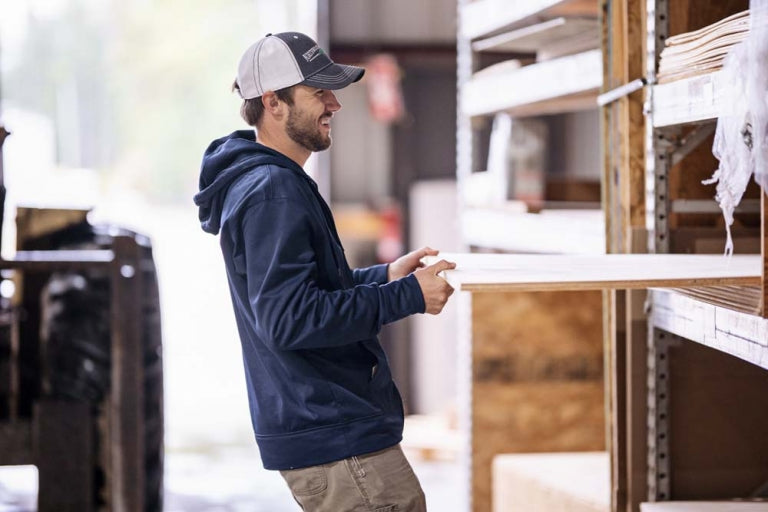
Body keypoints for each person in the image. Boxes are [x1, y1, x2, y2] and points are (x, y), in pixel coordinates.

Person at [193, 31, 456, 511]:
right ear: (273, 102)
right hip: (337, 437)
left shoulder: (270, 182)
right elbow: (289, 318)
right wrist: (408, 297)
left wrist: (386, 278)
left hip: (330, 431)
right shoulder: (273, 191)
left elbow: (301, 294)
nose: (334, 103)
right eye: (319, 92)